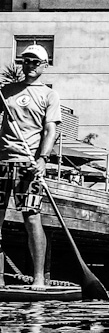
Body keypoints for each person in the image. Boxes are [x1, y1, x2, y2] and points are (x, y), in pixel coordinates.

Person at [0, 44, 62, 289]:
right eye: (26, 61)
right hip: (3, 161)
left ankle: (38, 277)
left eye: (35, 62)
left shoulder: (49, 95)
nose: (30, 65)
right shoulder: (6, 91)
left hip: (28, 164)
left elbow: (50, 130)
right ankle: (0, 279)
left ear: (44, 66)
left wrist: (43, 158)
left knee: (31, 218)